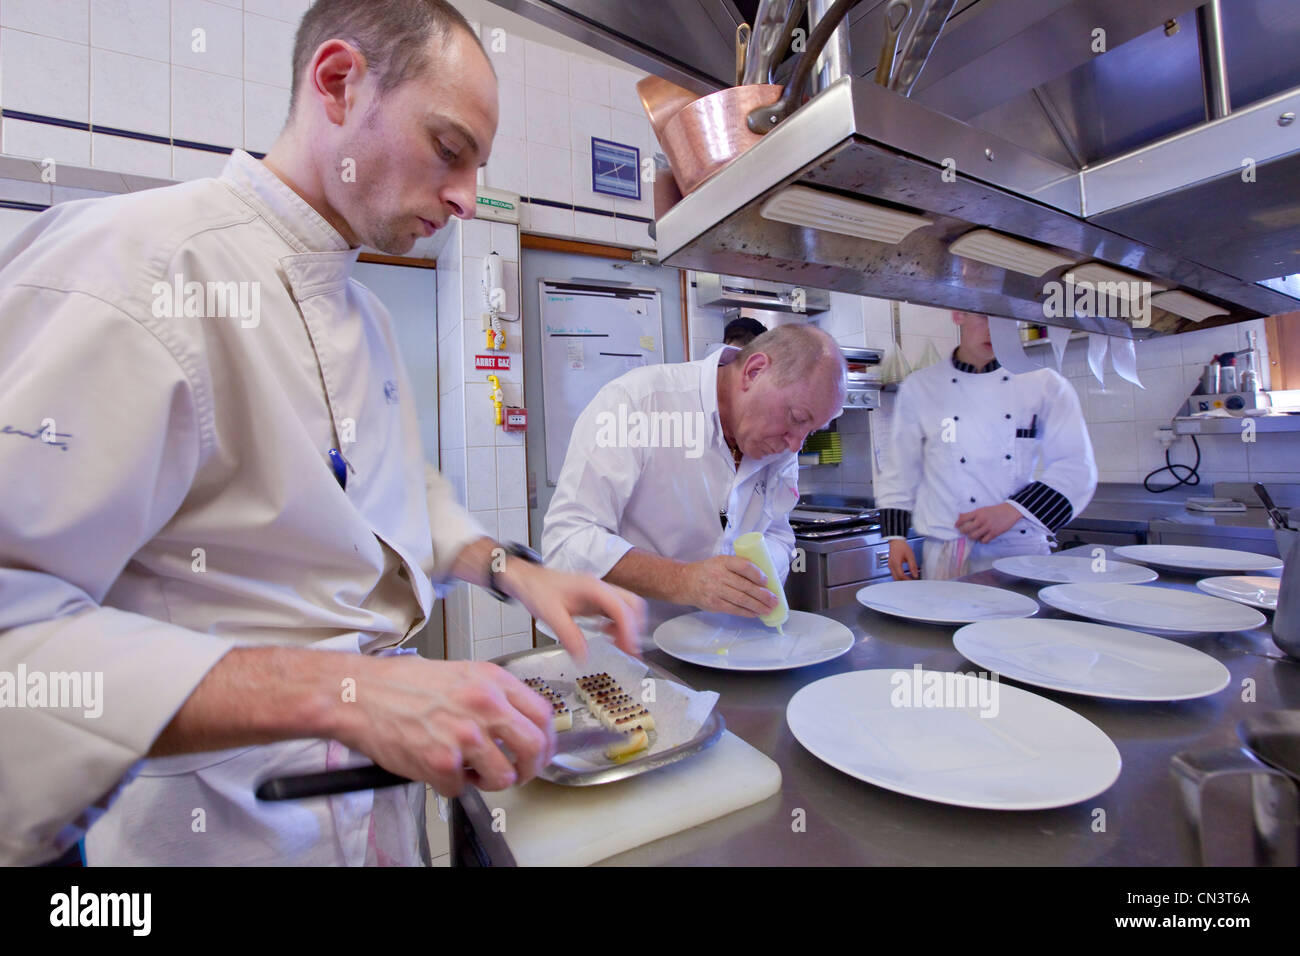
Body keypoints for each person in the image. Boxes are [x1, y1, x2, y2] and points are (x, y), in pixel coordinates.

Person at [0, 0, 644, 867]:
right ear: (339, 83)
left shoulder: (365, 313)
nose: (464, 196)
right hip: (215, 836)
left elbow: (391, 502)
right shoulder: (136, 268)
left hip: (369, 825)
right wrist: (348, 691)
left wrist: (514, 572)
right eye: (450, 150)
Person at [543, 323, 846, 632]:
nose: (795, 445)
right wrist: (683, 580)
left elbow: (778, 533)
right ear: (754, 372)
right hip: (620, 648)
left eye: (809, 432)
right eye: (796, 419)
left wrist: (758, 573)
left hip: (719, 646)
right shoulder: (636, 403)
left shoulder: (781, 442)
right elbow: (569, 540)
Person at [878, 311, 1097, 581]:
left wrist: (1012, 509)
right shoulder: (920, 386)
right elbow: (901, 469)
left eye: (1006, 319)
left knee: (1021, 622)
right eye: (983, 317)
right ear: (958, 315)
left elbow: (1077, 467)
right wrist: (895, 537)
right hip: (945, 551)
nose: (994, 330)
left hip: (1018, 550)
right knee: (945, 623)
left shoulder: (1045, 384)